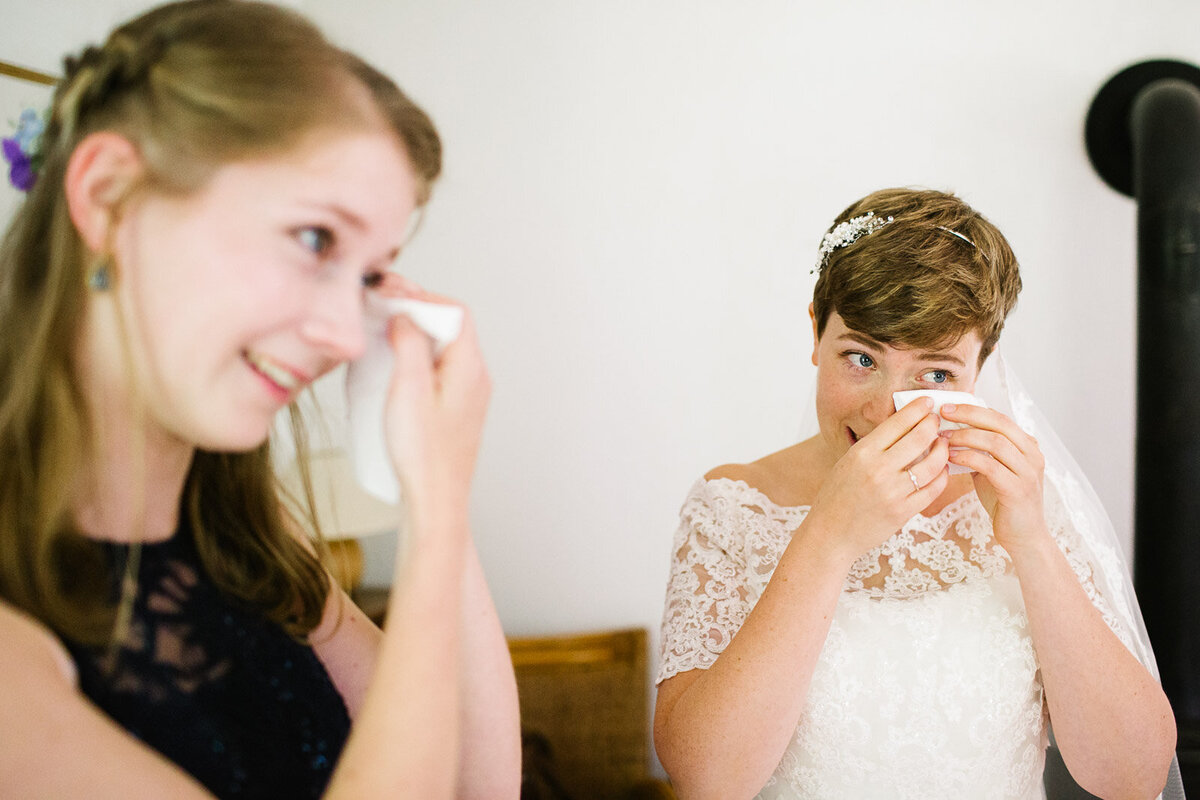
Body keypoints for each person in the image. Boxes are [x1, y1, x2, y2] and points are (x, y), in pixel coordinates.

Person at [0, 2, 520, 798]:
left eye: (372, 275)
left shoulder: (250, 542)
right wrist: (439, 501)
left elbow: (480, 786)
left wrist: (432, 502)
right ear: (107, 197)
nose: (348, 335)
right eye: (315, 241)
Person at [653, 187, 1178, 799]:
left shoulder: (1026, 504)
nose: (885, 414)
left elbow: (1133, 779)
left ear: (981, 368)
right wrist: (827, 536)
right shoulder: (729, 507)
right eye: (861, 358)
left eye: (935, 374)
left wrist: (1029, 540)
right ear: (815, 334)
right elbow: (706, 780)